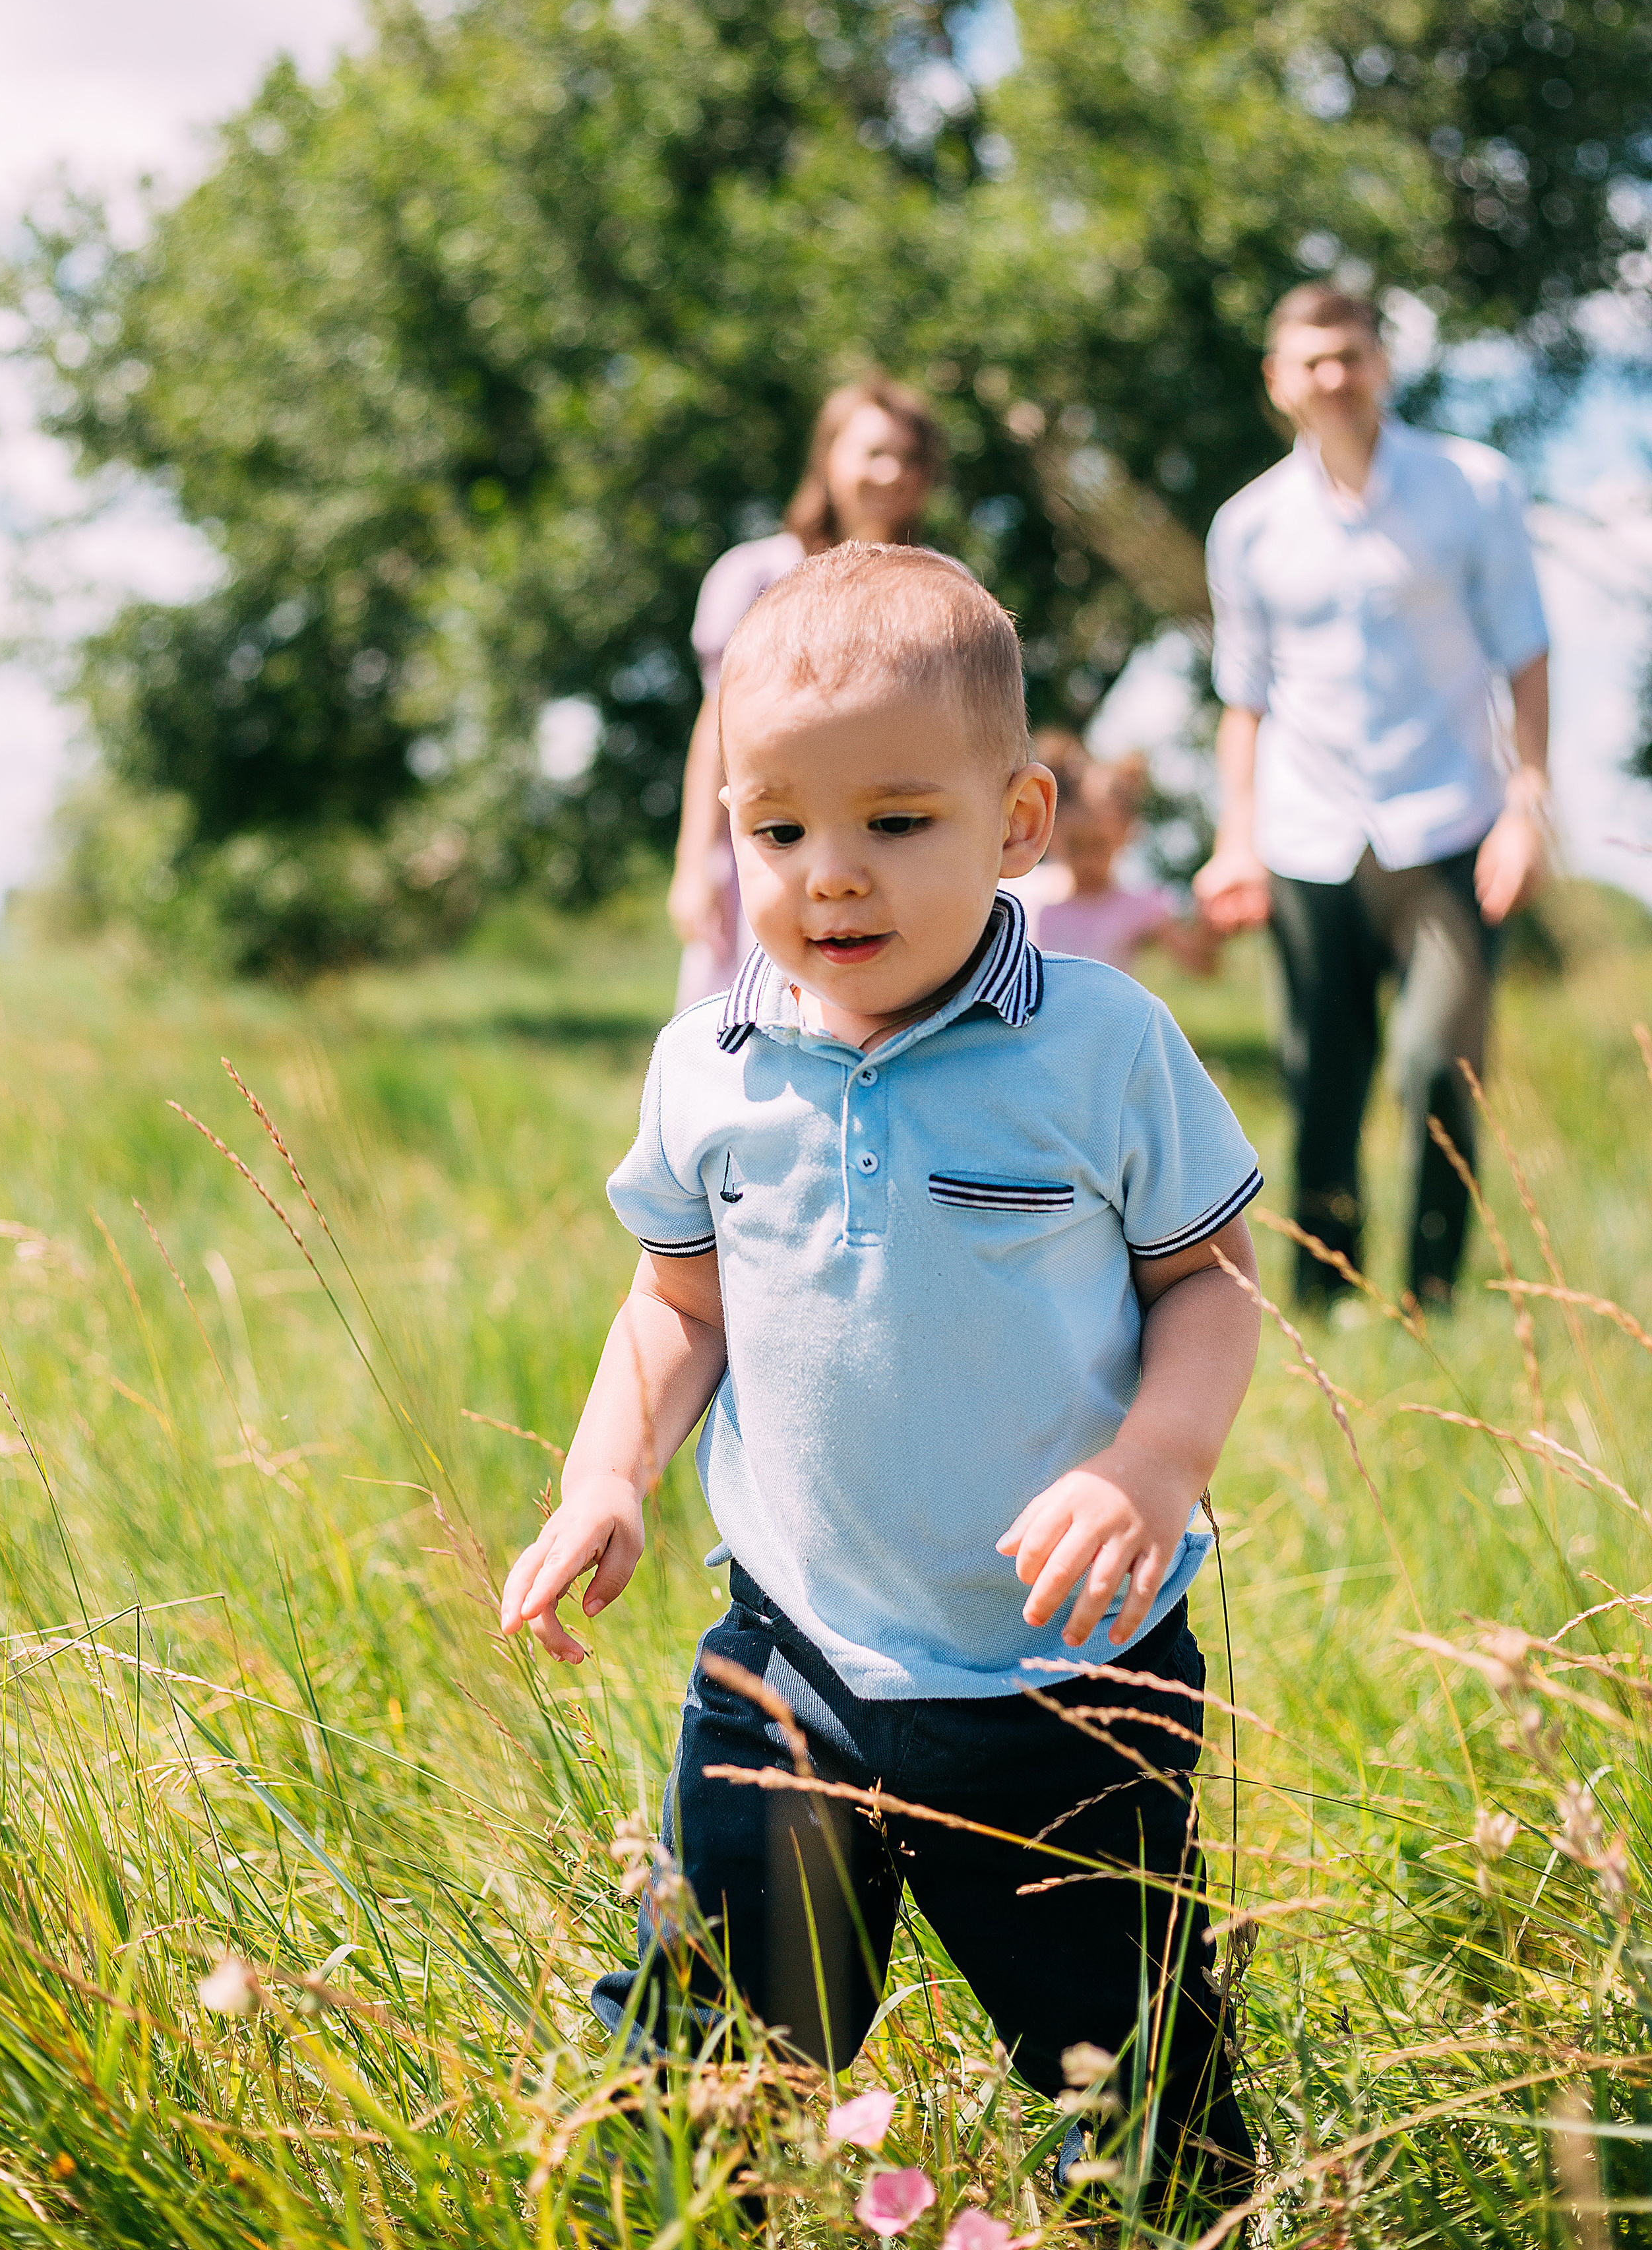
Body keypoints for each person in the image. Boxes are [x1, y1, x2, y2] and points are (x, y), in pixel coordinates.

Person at [501, 542, 1266, 2208]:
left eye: (894, 823)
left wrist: (1149, 1464)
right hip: (793, 1657)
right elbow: (673, 1306)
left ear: (1015, 822)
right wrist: (608, 1473)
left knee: (1133, 2083)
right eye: (776, 827)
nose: (827, 876)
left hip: (1067, 1674)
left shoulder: (1098, 1039)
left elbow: (1205, 1282)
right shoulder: (705, 1062)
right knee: (704, 2054)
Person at [1193, 282, 1550, 1309]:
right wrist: (1236, 841)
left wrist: (1529, 806)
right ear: (1279, 382)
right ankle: (1326, 1304)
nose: (1335, 377)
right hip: (1310, 840)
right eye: (1313, 360)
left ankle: (1432, 1295)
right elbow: (1244, 699)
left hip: (1451, 827)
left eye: (1352, 354)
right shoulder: (1248, 526)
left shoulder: (1472, 488)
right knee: (1323, 1084)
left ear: (1382, 363)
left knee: (1439, 1070)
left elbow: (1525, 653)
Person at [667, 379, 943, 1008]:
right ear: (827, 458)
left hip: (892, 852)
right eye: (873, 451)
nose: (892, 471)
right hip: (774, 853)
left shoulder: (942, 588)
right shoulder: (753, 575)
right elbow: (719, 732)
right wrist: (696, 865)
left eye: (909, 457)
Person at [1015, 734, 1220, 977]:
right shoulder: (1023, 895)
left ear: (1127, 833)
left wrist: (1214, 923)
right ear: (1050, 827)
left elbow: (1199, 964)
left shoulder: (1138, 907)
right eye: (1076, 845)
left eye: (1099, 846)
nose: (1087, 860)